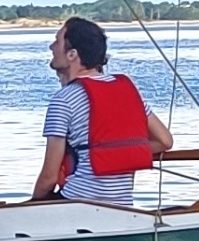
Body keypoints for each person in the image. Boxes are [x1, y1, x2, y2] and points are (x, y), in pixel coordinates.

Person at [31, 15, 171, 208]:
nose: (51, 47)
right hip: (121, 205)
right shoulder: (128, 91)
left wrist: (32, 205)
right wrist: (123, 153)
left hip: (77, 202)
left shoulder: (63, 100)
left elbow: (49, 177)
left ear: (72, 54)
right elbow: (164, 141)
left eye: (57, 41)